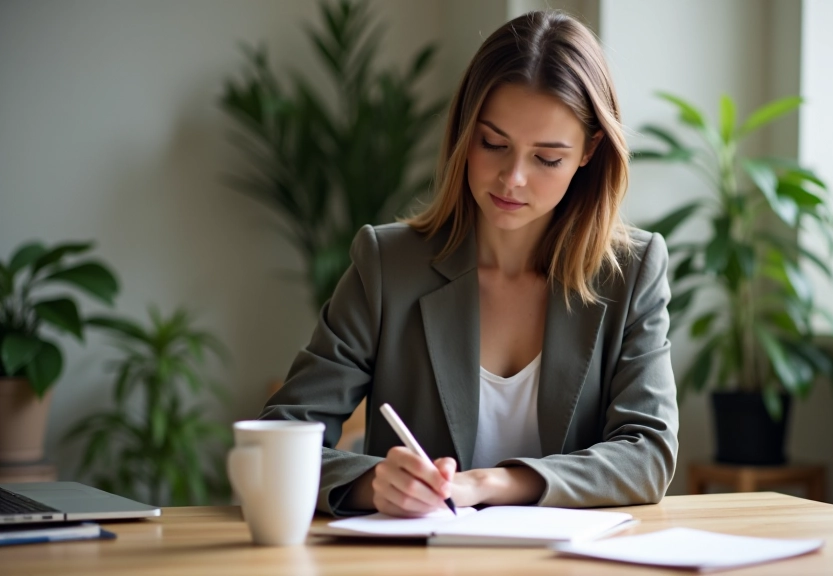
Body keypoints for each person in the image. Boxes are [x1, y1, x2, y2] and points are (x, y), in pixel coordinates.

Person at [259, 10, 678, 518]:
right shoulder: (387, 265)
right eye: (493, 144)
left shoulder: (631, 272)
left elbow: (648, 454)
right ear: (464, 131)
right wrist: (374, 484)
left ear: (589, 151)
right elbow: (279, 439)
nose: (512, 178)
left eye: (547, 158)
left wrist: (492, 483)